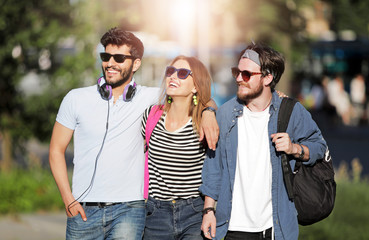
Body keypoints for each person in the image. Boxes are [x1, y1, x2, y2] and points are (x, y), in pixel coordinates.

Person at [49, 27, 218, 240]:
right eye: (106, 56)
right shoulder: (75, 98)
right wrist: (68, 199)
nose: (110, 63)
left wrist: (210, 112)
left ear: (136, 63)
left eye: (119, 58)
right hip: (83, 210)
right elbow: (56, 150)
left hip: (130, 211)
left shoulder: (150, 98)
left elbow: (196, 94)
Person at [199, 43, 327, 240]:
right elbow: (214, 167)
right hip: (232, 227)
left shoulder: (291, 112)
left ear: (268, 78)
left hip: (275, 228)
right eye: (237, 72)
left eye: (247, 74)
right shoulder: (225, 115)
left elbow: (319, 147)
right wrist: (209, 211)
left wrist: (295, 149)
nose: (239, 79)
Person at [141, 55, 213, 239]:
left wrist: (209, 210)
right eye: (170, 71)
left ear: (196, 86)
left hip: (194, 213)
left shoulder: (203, 122)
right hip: (155, 214)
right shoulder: (151, 116)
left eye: (182, 73)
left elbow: (215, 170)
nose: (173, 76)